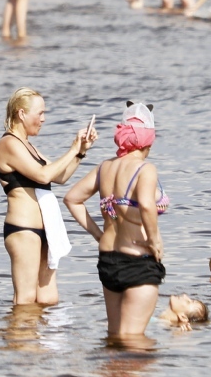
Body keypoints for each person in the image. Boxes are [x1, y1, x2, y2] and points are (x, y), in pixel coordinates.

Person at [65, 102, 169, 344]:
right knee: (134, 343)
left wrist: (98, 235)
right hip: (137, 259)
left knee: (114, 338)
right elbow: (145, 204)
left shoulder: (105, 167)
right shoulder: (145, 169)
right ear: (148, 140)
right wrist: (155, 240)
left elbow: (72, 199)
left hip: (108, 260)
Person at [0, 88, 98, 308]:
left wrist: (80, 152)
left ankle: (41, 342)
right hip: (24, 229)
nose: (43, 119)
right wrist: (72, 148)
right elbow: (43, 175)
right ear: (22, 114)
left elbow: (59, 176)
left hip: (45, 230)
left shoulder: (29, 146)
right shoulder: (9, 144)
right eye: (39, 113)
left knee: (48, 300)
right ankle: (19, 341)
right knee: (26, 300)